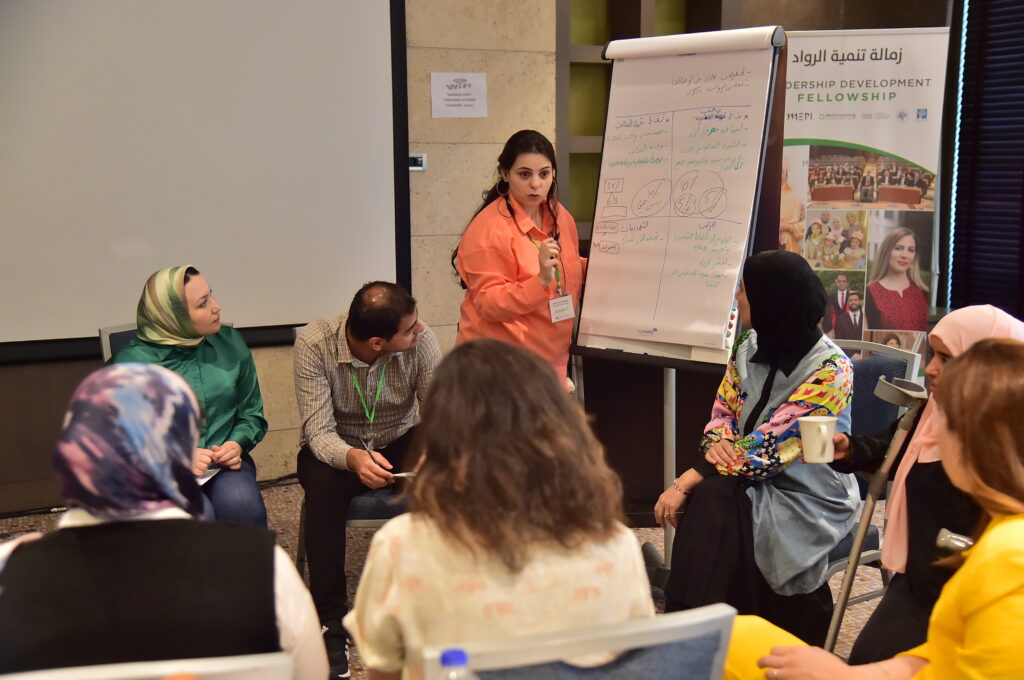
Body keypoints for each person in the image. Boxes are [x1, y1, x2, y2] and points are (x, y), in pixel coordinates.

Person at [344, 339, 655, 678]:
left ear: (442, 433)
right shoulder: (615, 542)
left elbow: (384, 670)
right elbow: (635, 664)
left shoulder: (402, 546)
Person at [724, 337, 1024, 680]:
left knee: (722, 652)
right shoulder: (1000, 535)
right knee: (738, 634)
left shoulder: (1009, 558)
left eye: (948, 423)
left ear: (975, 438)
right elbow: (947, 652)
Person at [0, 364, 326, 679]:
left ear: (73, 449)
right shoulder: (265, 569)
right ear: (181, 452)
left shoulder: (9, 577)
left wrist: (16, 562)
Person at [653, 250, 857, 646]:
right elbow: (722, 414)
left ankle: (688, 623)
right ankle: (708, 627)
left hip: (808, 491)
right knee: (719, 497)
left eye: (744, 290)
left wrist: (691, 476)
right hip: (747, 477)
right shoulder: (748, 345)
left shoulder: (833, 370)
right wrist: (716, 451)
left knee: (713, 497)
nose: (737, 299)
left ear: (772, 299)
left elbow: (779, 444)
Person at [831, 305, 1024, 663]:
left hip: (966, 591)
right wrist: (850, 450)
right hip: (916, 578)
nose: (930, 368)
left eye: (947, 358)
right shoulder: (932, 410)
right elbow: (892, 449)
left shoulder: (1009, 444)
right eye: (932, 355)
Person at [293, 281, 441, 679]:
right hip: (339, 449)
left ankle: (439, 602)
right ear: (378, 342)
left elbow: (440, 413)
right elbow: (319, 432)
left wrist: (437, 448)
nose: (421, 331)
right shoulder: (314, 343)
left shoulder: (422, 343)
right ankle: (330, 621)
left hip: (399, 439)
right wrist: (353, 457)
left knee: (451, 471)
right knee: (321, 487)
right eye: (409, 330)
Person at [111, 265, 268, 526]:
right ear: (175, 317)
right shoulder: (130, 364)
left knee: (241, 507)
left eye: (212, 296)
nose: (217, 307)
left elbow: (250, 414)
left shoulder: (230, 343)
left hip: (222, 465)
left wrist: (237, 443)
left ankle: (248, 568)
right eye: (203, 303)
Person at [452, 130, 584, 380]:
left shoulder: (559, 215)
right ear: (505, 173)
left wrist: (608, 262)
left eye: (544, 174)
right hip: (499, 370)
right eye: (525, 174)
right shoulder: (489, 230)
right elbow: (490, 305)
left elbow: (570, 266)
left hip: (549, 362)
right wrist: (541, 281)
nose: (536, 184)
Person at [865, 227, 929, 331]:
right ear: (887, 252)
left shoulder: (923, 292)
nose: (904, 255)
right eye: (898, 248)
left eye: (911, 250)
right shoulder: (869, 293)